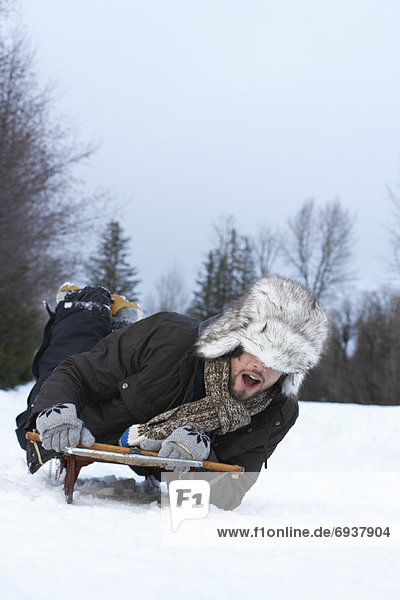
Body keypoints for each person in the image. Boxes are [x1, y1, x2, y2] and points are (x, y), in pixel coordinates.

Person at [16, 275, 329, 509]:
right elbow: (78, 373)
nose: (261, 367)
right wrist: (54, 410)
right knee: (41, 406)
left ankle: (122, 332)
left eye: (276, 363)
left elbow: (230, 493)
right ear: (235, 341)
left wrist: (201, 457)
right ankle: (82, 308)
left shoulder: (276, 412)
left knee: (113, 357)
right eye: (256, 351)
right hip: (100, 423)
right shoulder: (169, 338)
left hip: (147, 452)